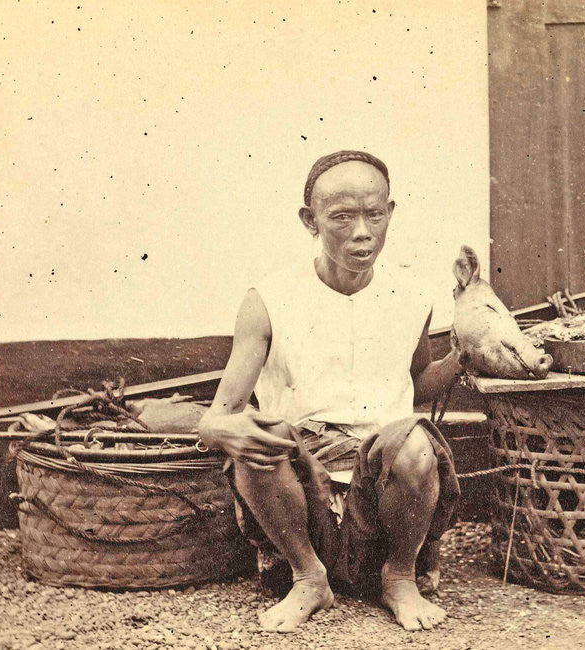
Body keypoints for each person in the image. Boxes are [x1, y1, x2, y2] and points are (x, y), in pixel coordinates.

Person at [197, 150, 464, 633]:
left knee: (417, 443)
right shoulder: (268, 300)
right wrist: (233, 434)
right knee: (263, 436)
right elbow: (217, 416)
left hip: (381, 483)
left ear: (390, 212)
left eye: (374, 213)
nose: (362, 232)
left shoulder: (411, 297)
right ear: (311, 220)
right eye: (342, 216)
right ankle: (307, 577)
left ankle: (400, 575)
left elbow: (416, 385)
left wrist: (465, 355)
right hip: (299, 483)